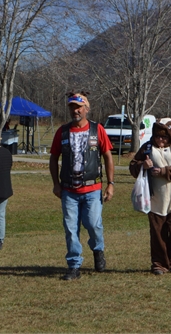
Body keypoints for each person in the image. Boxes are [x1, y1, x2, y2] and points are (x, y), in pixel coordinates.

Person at [49, 92, 114, 281]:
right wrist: (56, 184)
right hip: (69, 190)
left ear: (86, 108)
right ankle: (74, 265)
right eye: (72, 107)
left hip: (92, 189)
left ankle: (98, 249)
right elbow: (53, 158)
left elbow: (108, 156)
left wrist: (110, 184)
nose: (75, 111)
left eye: (78, 107)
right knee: (70, 228)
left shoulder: (97, 129)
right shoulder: (62, 132)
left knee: (93, 224)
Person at [129, 120, 171, 275]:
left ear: (170, 136)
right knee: (158, 233)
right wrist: (142, 166)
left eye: (164, 137)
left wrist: (165, 172)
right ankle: (159, 264)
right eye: (157, 137)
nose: (160, 140)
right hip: (156, 199)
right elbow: (132, 165)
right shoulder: (147, 148)